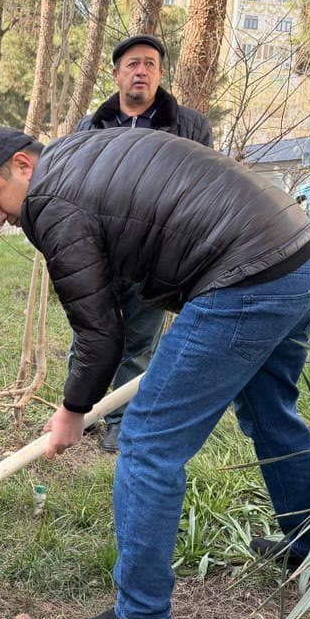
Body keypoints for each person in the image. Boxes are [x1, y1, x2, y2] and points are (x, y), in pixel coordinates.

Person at [0, 126, 310, 619]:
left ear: (21, 165)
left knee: (149, 441)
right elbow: (122, 284)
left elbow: (98, 333)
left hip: (244, 277)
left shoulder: (50, 201)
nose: (0, 218)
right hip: (298, 256)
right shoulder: (81, 154)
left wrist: (71, 411)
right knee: (270, 410)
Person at [73, 34, 213, 453]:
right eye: (133, 64)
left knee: (139, 342)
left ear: (160, 73)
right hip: (98, 252)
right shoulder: (91, 125)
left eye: (150, 64)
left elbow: (200, 188)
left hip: (155, 256)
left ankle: (119, 420)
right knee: (90, 333)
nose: (142, 71)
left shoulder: (189, 126)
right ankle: (82, 412)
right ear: (116, 75)